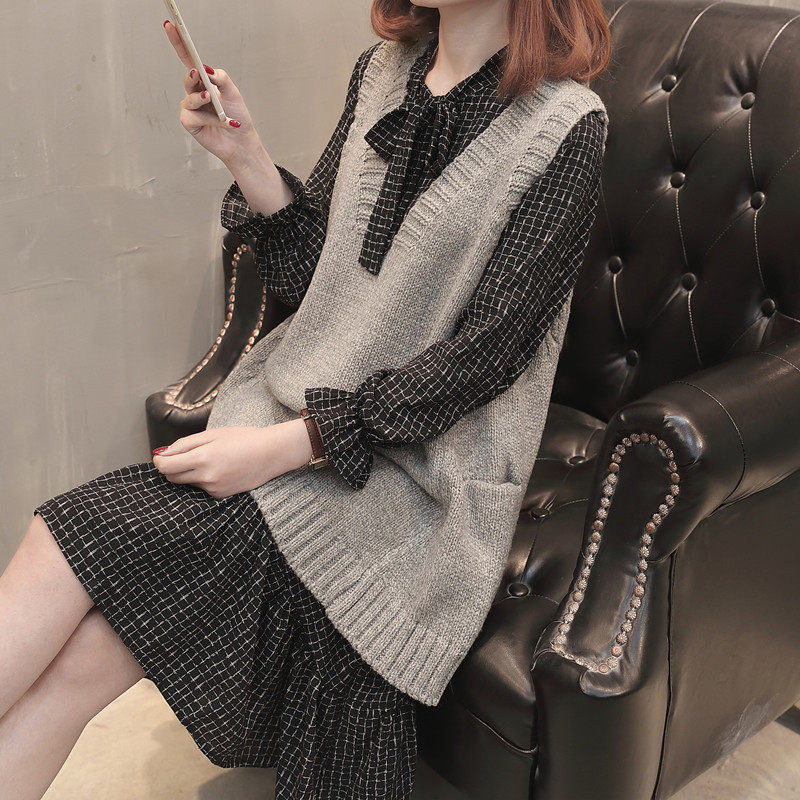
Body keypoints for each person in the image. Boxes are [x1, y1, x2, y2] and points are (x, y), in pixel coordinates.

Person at [0, 0, 611, 797]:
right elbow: (318, 277)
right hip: (288, 417)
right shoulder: (382, 73)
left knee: (70, 567)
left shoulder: (566, 127)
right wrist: (246, 155)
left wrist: (283, 449)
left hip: (414, 483)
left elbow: (485, 358)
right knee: (76, 611)